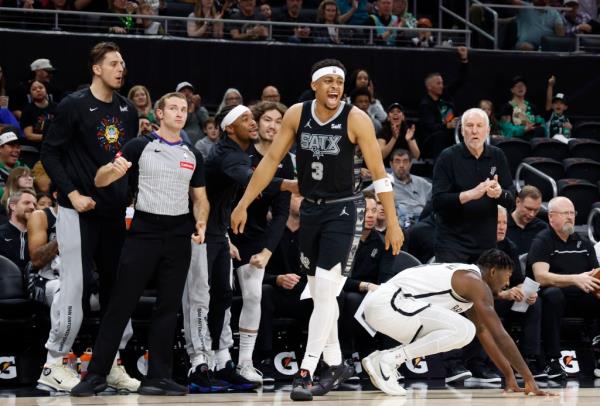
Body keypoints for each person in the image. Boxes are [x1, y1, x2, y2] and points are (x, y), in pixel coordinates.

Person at [231, 58, 403, 401]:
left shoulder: (356, 118)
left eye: (339, 82)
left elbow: (380, 174)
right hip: (311, 209)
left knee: (325, 290)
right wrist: (244, 202)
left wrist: (393, 222)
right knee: (320, 294)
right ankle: (337, 363)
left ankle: (307, 371)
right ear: (314, 85)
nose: (335, 87)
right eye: (328, 81)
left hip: (345, 209)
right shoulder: (297, 114)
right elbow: (269, 161)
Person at [71, 92, 209, 397]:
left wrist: (201, 222)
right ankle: (96, 374)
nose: (178, 113)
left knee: (168, 307)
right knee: (121, 304)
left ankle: (158, 377)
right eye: (172, 108)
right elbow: (99, 180)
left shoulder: (192, 154)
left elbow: (200, 199)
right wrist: (113, 170)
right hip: (144, 230)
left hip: (178, 234)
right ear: (158, 114)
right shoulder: (140, 145)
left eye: (183, 109)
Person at [39, 42, 139, 393]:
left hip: (114, 214)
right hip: (78, 211)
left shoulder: (128, 110)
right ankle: (54, 363)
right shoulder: (73, 105)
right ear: (96, 68)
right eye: (113, 63)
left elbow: (125, 159)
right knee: (76, 286)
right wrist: (72, 194)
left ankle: (109, 362)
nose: (120, 69)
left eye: (122, 64)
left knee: (117, 289)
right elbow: (49, 153)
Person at [183, 104, 297, 393]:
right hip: (200, 230)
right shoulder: (226, 154)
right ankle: (198, 363)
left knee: (223, 295)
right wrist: (293, 185)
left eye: (251, 117)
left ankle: (222, 360)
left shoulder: (241, 152)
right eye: (246, 119)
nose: (252, 123)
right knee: (200, 297)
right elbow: (252, 181)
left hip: (219, 232)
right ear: (229, 128)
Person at [360, 249, 551, 397]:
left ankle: (383, 360)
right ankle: (389, 359)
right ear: (493, 271)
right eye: (507, 275)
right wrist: (528, 379)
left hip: (385, 307)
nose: (507, 283)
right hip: (388, 304)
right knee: (463, 330)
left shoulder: (467, 283)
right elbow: (500, 334)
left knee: (464, 331)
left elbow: (483, 332)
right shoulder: (475, 283)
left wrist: (509, 376)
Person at [432, 107, 513, 382]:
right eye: (470, 126)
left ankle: (478, 362)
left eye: (480, 126)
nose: (475, 131)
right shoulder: (448, 157)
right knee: (453, 301)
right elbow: (438, 202)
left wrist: (500, 193)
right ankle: (452, 363)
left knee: (484, 303)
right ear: (461, 130)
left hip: (485, 242)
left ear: (488, 130)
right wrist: (471, 194)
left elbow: (511, 199)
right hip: (452, 241)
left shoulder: (497, 156)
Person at [228, 101, 294, 384]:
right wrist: (223, 237)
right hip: (223, 233)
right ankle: (211, 360)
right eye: (267, 119)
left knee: (254, 295)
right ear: (257, 123)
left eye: (279, 121)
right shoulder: (242, 152)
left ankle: (245, 363)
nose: (273, 126)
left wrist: (267, 251)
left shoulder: (286, 161)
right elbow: (222, 199)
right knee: (215, 298)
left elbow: (281, 214)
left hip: (254, 238)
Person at [527, 196, 600, 379]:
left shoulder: (584, 243)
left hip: (580, 296)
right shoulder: (543, 240)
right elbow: (541, 276)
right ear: (551, 217)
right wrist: (574, 279)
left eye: (572, 213)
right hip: (551, 297)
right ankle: (552, 360)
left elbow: (595, 273)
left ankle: (598, 351)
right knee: (553, 295)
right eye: (565, 213)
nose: (570, 217)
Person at [495, 205, 546, 379]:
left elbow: (517, 278)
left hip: (507, 297)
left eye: (504, 223)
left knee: (534, 302)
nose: (502, 227)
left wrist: (524, 291)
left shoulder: (509, 245)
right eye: (497, 223)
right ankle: (483, 362)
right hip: (487, 298)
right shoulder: (477, 245)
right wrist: (504, 293)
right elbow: (477, 286)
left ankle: (528, 359)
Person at [417, 46, 469, 160]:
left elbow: (460, 81)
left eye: (442, 83)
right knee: (441, 136)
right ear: (429, 87)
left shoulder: (445, 95)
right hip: (433, 140)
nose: (442, 86)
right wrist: (447, 125)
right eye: (438, 83)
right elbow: (429, 127)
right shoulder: (425, 105)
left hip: (451, 134)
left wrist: (464, 60)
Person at [389, 148, 431, 228]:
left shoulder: (422, 183)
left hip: (423, 223)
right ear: (391, 164)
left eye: (405, 161)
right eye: (397, 161)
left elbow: (439, 195)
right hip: (400, 225)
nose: (401, 165)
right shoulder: (385, 183)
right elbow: (365, 195)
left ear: (410, 163)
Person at [0, 189, 37, 272]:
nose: (32, 207)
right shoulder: (1, 233)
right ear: (13, 206)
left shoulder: (39, 236)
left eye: (34, 204)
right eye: (26, 203)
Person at [506, 185, 548, 256]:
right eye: (528, 209)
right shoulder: (502, 226)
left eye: (536, 210)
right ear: (518, 201)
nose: (532, 214)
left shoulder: (542, 228)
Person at [545, 76, 573, 144]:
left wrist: (570, 128)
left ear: (565, 107)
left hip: (563, 144)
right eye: (555, 103)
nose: (558, 105)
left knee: (575, 141)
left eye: (561, 103)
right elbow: (549, 99)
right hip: (550, 143)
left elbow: (568, 134)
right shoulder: (549, 115)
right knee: (558, 136)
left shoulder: (566, 119)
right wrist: (550, 86)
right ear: (552, 106)